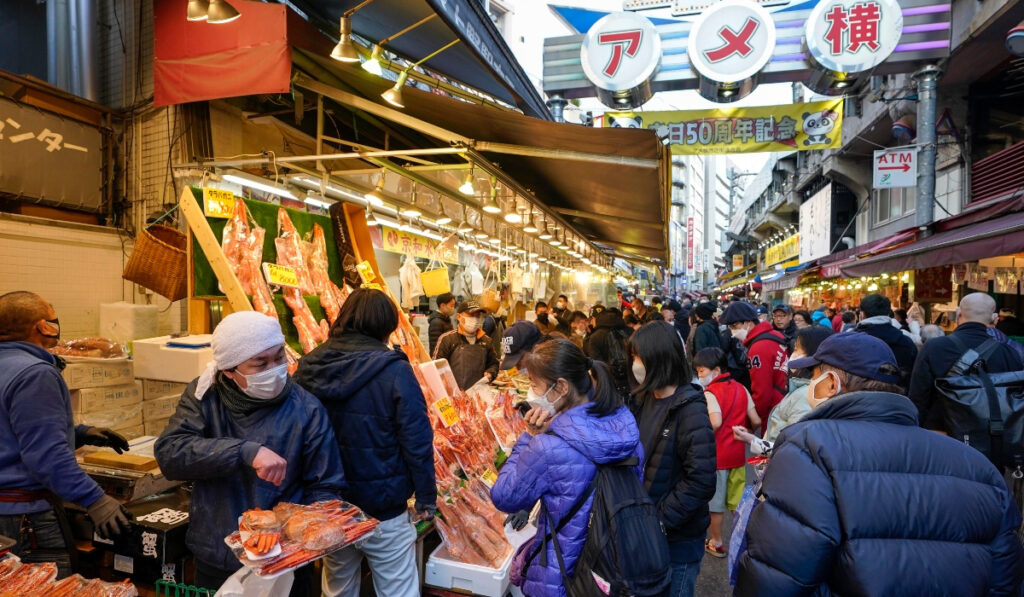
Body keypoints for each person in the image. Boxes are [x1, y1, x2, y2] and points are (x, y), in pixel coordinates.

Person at [735, 333, 1024, 596]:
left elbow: (781, 571)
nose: (810, 385)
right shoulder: (976, 465)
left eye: (813, 376)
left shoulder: (809, 447)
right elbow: (1005, 576)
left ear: (832, 383)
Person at [156, 311, 346, 594]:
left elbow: (326, 484)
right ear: (230, 371)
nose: (275, 368)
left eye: (279, 357)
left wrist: (305, 531)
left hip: (286, 560)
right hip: (218, 551)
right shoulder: (204, 396)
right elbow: (171, 454)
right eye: (260, 363)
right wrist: (245, 451)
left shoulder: (306, 408)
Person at [294, 288, 435, 597]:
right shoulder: (396, 371)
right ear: (386, 326)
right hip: (383, 508)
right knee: (397, 589)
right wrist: (426, 495)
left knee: (338, 587)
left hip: (330, 507)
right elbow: (417, 441)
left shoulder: (309, 365)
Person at [491, 339, 641, 597]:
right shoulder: (624, 428)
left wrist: (528, 438)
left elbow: (504, 496)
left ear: (561, 387)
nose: (532, 393)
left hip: (562, 572)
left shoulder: (548, 447)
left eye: (535, 385)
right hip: (609, 567)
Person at [0, 291, 130, 575]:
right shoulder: (34, 373)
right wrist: (95, 500)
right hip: (24, 517)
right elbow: (46, 457)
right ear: (43, 327)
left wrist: (79, 433)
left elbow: (10, 429)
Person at [629, 322, 716, 596]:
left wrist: (659, 520)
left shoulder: (690, 408)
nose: (634, 364)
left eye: (638, 357)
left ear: (658, 357)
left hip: (677, 542)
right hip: (646, 533)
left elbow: (701, 480)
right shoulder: (644, 399)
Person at [908, 292, 1024, 432]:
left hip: (942, 431)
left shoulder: (934, 347)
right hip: (992, 434)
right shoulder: (1009, 352)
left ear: (958, 313)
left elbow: (918, 396)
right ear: (995, 318)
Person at [693, 348, 760, 559]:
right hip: (738, 456)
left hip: (718, 457)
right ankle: (745, 540)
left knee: (716, 505)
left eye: (702, 371)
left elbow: (716, 422)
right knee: (737, 502)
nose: (700, 375)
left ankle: (717, 543)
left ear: (717, 370)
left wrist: (702, 436)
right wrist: (746, 434)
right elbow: (756, 420)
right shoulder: (741, 388)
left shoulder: (710, 393)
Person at [734, 325, 834, 455]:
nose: (792, 355)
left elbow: (794, 449)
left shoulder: (807, 395)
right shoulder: (805, 389)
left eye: (797, 349)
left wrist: (754, 442)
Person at [720, 301, 788, 434]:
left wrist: (753, 421)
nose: (733, 332)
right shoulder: (776, 335)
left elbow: (762, 393)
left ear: (748, 322)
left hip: (773, 411)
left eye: (734, 326)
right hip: (784, 402)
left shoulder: (758, 348)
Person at [853, 293, 918, 392]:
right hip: (897, 399)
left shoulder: (850, 340)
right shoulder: (906, 341)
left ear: (861, 314)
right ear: (888, 314)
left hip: (859, 401)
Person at [433, 300, 500, 390]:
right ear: (459, 317)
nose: (475, 319)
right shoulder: (447, 339)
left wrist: (491, 373)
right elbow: (436, 367)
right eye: (471, 315)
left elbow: (494, 363)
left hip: (479, 394)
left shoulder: (486, 341)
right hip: (454, 394)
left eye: (477, 316)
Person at [584, 309, 633, 404]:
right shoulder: (629, 331)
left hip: (608, 388)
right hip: (631, 385)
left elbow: (597, 368)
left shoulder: (595, 337)